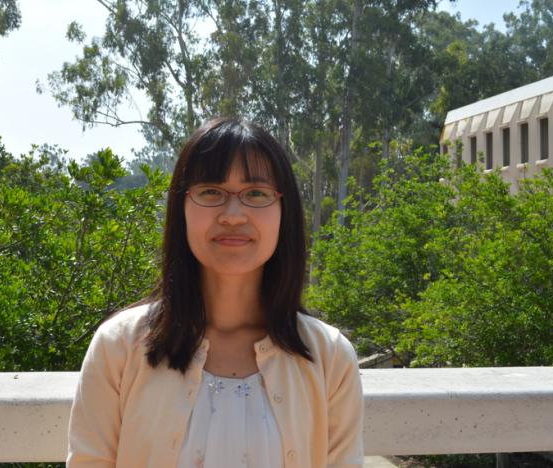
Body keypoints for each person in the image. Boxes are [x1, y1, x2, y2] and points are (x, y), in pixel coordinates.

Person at [66, 117, 364, 468]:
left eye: (256, 193)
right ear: (182, 208)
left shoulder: (329, 358)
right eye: (211, 192)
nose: (233, 214)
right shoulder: (119, 347)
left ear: (284, 211)